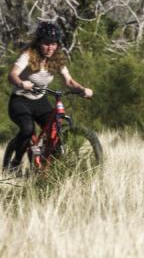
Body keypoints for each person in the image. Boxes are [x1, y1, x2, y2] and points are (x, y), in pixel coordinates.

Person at [7, 21, 93, 170]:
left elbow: (69, 81)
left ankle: (47, 165)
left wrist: (82, 89)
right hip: (20, 100)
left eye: (53, 44)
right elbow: (12, 75)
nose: (50, 47)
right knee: (28, 129)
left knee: (55, 129)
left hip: (40, 100)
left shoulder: (57, 59)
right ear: (39, 42)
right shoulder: (28, 55)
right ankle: (15, 163)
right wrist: (21, 83)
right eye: (46, 43)